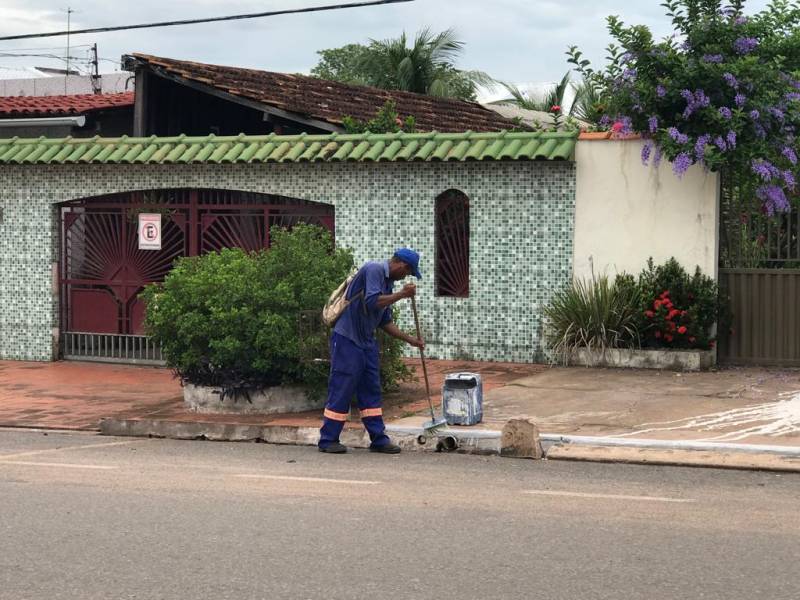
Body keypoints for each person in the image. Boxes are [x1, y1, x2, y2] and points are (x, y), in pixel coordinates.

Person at [318, 248, 425, 454]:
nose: (406, 277)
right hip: (347, 338)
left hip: (366, 342)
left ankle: (378, 439)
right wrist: (402, 295)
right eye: (408, 273)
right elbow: (371, 301)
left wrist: (412, 340)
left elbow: (384, 321)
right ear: (402, 265)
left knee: (371, 389)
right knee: (342, 385)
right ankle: (328, 439)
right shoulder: (374, 269)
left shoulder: (388, 283)